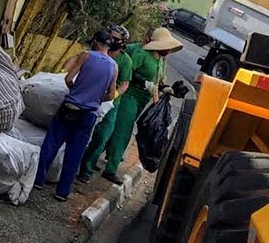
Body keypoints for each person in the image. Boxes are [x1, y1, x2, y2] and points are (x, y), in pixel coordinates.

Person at [33, 30, 118, 201]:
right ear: (109, 46)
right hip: (88, 114)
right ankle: (62, 192)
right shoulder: (114, 66)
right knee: (74, 153)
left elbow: (68, 78)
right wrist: (95, 97)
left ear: (95, 42)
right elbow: (110, 95)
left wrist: (76, 90)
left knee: (51, 144)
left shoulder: (86, 56)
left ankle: (38, 180)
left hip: (69, 107)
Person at [100, 27, 182, 179]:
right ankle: (111, 169)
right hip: (129, 97)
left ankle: (100, 155)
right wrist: (144, 83)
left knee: (116, 130)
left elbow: (156, 82)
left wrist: (167, 89)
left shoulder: (159, 60)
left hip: (142, 101)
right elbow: (127, 73)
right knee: (123, 132)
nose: (168, 50)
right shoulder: (142, 54)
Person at [77, 25, 133, 185]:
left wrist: (113, 95)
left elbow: (124, 84)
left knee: (101, 136)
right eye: (110, 37)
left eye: (116, 39)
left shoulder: (125, 61)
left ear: (123, 43)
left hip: (110, 105)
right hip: (89, 97)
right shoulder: (97, 53)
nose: (112, 41)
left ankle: (86, 169)